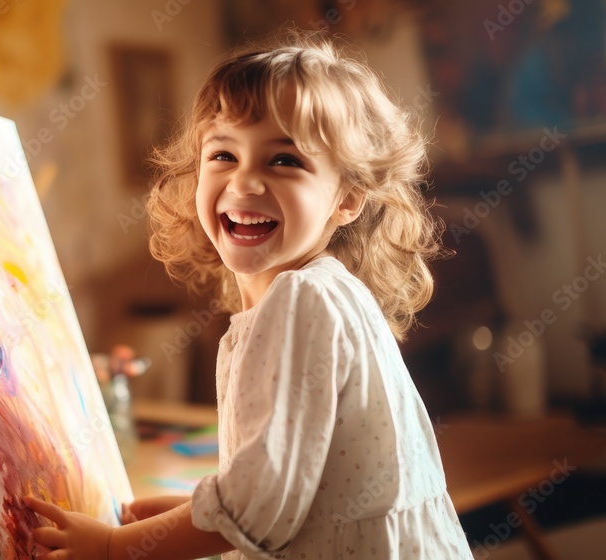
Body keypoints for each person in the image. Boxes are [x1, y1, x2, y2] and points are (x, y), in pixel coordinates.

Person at [26, 30, 474, 559]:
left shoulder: (302, 301)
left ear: (348, 199)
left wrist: (112, 548)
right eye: (223, 155)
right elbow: (295, 484)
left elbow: (262, 506)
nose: (244, 183)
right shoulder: (317, 293)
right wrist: (187, 514)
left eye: (283, 161)